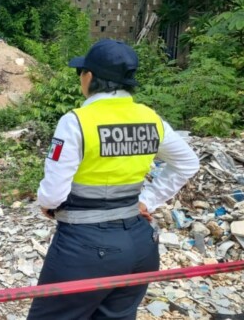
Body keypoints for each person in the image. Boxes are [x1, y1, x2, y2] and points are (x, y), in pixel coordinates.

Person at [27, 39, 199, 320]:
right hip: (140, 246)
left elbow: (53, 195)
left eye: (81, 73)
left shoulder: (76, 121)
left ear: (90, 77)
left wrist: (47, 203)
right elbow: (187, 163)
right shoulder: (150, 118)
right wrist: (147, 200)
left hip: (84, 248)